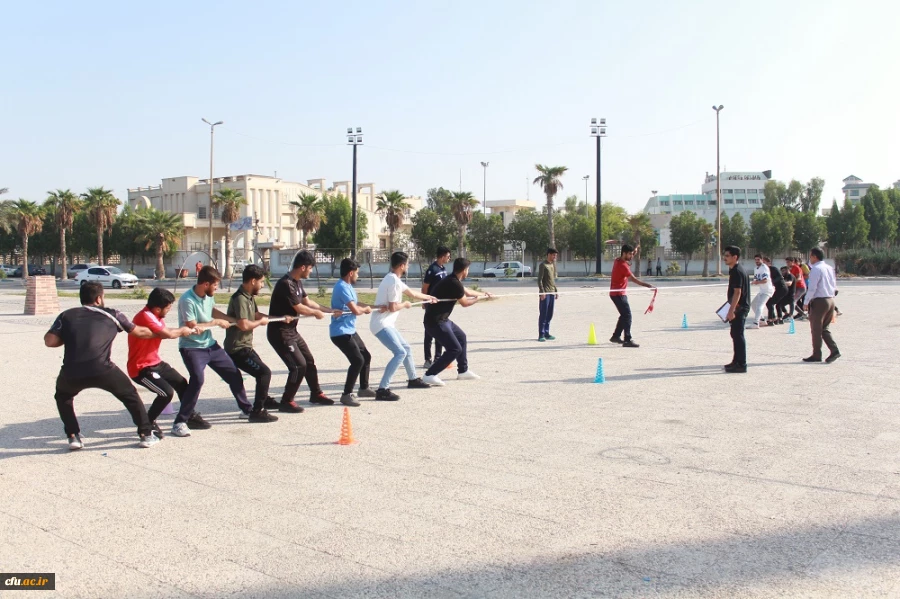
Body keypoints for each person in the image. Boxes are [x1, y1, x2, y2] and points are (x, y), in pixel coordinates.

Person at [44, 281, 161, 450]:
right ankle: (146, 434)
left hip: (71, 371)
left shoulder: (66, 315)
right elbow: (140, 332)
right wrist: (164, 333)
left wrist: (70, 337)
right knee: (130, 395)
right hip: (103, 369)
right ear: (99, 299)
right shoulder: (113, 314)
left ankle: (73, 437)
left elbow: (50, 341)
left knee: (63, 397)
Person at [175, 265, 253, 437]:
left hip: (210, 345)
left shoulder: (208, 296)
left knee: (234, 374)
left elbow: (212, 311)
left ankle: (247, 410)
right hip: (192, 348)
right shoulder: (187, 300)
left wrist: (232, 320)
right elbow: (192, 326)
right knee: (197, 380)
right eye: (215, 285)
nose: (217, 288)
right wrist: (216, 322)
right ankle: (180, 421)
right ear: (205, 284)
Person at [267, 250, 343, 409]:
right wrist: (315, 313)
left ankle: (316, 394)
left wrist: (329, 310)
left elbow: (308, 302)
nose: (311, 271)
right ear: (302, 267)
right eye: (310, 268)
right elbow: (299, 308)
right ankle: (286, 401)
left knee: (309, 361)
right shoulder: (285, 284)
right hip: (280, 333)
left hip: (292, 331)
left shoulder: (297, 283)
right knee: (299, 365)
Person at [128, 288, 200, 438]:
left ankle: (188, 416)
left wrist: (186, 329)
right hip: (141, 368)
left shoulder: (154, 315)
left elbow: (165, 330)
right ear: (157, 308)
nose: (169, 310)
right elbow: (168, 334)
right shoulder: (146, 316)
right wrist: (183, 331)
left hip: (155, 362)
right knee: (166, 393)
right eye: (168, 307)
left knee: (181, 383)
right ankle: (148, 423)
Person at [370, 252, 438, 399]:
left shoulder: (393, 278)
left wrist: (429, 297)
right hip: (381, 324)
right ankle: (382, 389)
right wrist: (405, 304)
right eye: (407, 264)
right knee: (400, 352)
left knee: (406, 348)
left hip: (387, 323)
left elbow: (412, 293)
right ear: (401, 265)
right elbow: (393, 307)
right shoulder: (393, 281)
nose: (408, 266)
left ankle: (413, 379)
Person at [224, 264, 286, 422]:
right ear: (253, 281)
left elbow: (256, 315)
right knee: (264, 373)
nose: (262, 285)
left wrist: (278, 318)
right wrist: (261, 323)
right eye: (261, 282)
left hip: (246, 346)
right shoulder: (240, 298)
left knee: (263, 373)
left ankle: (264, 399)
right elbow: (244, 324)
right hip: (237, 349)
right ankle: (257, 411)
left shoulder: (249, 296)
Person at [422, 257, 493, 386]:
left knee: (461, 337)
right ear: (464, 270)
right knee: (454, 349)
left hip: (443, 319)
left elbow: (467, 292)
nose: (468, 271)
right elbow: (465, 303)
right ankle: (430, 374)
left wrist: (484, 295)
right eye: (468, 269)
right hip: (435, 322)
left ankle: (463, 371)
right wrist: (478, 299)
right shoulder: (453, 283)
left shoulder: (453, 280)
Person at [330, 258, 378, 407]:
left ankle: (364, 388)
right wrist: (365, 309)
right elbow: (356, 310)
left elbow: (355, 304)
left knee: (366, 356)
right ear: (351, 273)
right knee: (358, 360)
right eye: (357, 273)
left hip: (349, 330)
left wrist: (372, 306)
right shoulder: (341, 287)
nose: (358, 275)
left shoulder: (348, 286)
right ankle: (346, 394)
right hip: (340, 332)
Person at [609, 244, 655, 348]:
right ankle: (627, 340)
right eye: (629, 254)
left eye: (631, 254)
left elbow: (630, 255)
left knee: (624, 315)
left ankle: (615, 336)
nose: (631, 256)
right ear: (624, 253)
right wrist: (648, 285)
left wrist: (635, 249)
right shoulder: (623, 266)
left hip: (616, 294)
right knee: (627, 315)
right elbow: (634, 279)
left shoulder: (617, 260)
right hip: (618, 294)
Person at [802, 248, 840, 364]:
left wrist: (806, 302)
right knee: (824, 329)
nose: (810, 259)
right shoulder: (829, 268)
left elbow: (812, 287)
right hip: (830, 300)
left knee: (816, 329)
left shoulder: (816, 269)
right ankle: (833, 350)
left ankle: (817, 354)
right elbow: (834, 285)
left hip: (820, 301)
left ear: (814, 256)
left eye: (810, 256)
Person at [422, 246, 451, 369]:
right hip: (432, 305)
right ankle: (427, 359)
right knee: (429, 333)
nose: (449, 258)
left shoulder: (443, 269)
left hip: (441, 305)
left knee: (439, 331)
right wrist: (425, 301)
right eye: (448, 256)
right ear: (442, 256)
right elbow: (425, 287)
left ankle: (437, 358)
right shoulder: (432, 269)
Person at [723, 246, 750, 373]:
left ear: (735, 257)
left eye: (727, 256)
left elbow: (738, 292)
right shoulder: (735, 269)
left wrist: (731, 310)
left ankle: (741, 364)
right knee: (734, 334)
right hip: (738, 307)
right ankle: (736, 361)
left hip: (739, 308)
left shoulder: (737, 272)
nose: (725, 258)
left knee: (738, 335)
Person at [537, 248, 559, 342]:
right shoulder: (543, 265)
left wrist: (556, 291)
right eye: (553, 255)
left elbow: (552, 280)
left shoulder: (552, 265)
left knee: (550, 314)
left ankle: (547, 333)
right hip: (545, 293)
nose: (555, 257)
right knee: (543, 313)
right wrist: (542, 292)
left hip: (552, 292)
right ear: (549, 254)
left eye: (555, 255)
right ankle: (541, 334)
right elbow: (539, 280)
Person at [748, 254, 774, 328]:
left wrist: (757, 282)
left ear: (762, 260)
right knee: (753, 304)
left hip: (767, 290)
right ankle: (762, 320)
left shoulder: (764, 267)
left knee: (760, 305)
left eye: (758, 259)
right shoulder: (756, 268)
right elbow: (756, 279)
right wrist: (753, 282)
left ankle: (756, 323)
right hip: (762, 291)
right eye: (755, 260)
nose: (757, 261)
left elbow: (765, 280)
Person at [763, 257, 788, 325]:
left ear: (769, 263)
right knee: (777, 303)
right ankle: (778, 319)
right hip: (778, 288)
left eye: (764, 262)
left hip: (782, 288)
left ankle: (771, 320)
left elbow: (780, 277)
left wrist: (771, 282)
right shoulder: (765, 270)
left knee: (769, 303)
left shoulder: (773, 268)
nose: (763, 264)